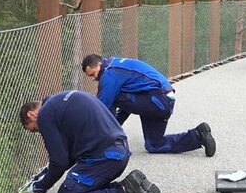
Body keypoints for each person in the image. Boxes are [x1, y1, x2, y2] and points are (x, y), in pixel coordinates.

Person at [19, 90, 163, 193]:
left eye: (34, 129)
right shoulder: (63, 100)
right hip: (118, 152)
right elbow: (67, 156)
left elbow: (60, 161)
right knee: (84, 190)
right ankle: (137, 187)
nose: (39, 131)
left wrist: (42, 185)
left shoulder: (45, 114)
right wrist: (44, 175)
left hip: (102, 157)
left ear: (31, 114)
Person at [81, 54, 216, 157]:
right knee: (154, 145)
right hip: (162, 100)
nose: (93, 78)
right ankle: (198, 135)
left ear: (99, 64)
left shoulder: (109, 73)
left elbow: (101, 109)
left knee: (112, 98)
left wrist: (95, 140)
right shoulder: (116, 65)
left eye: (92, 74)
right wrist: (114, 128)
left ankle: (108, 143)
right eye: (90, 77)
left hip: (157, 99)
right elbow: (124, 109)